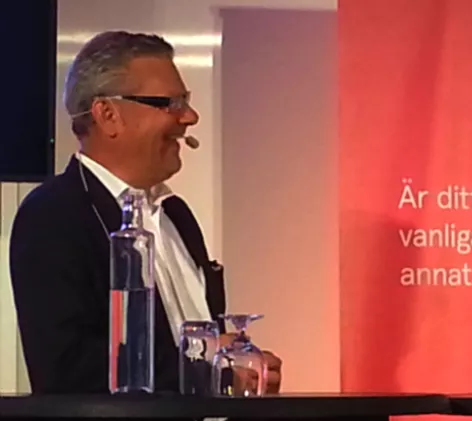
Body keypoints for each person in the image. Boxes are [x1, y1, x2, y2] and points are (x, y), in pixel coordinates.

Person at [9, 30, 281, 394]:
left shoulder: (176, 215)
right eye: (171, 103)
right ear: (108, 115)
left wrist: (234, 366)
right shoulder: (52, 215)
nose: (190, 117)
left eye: (186, 101)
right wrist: (210, 371)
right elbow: (69, 371)